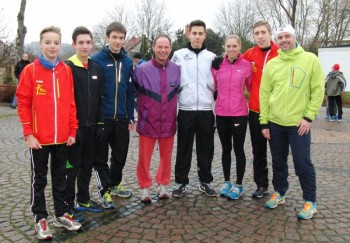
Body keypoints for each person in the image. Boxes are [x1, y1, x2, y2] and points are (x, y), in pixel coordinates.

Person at [16, 26, 82, 240]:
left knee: (61, 178)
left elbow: (71, 103)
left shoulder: (66, 71)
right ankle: (40, 218)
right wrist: (29, 133)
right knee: (40, 179)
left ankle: (60, 214)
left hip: (62, 137)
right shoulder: (30, 71)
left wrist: (72, 129)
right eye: (48, 42)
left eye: (56, 42)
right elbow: (23, 103)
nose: (52, 46)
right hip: (39, 140)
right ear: (41, 44)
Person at [259, 24, 324, 220]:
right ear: (276, 41)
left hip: (298, 124)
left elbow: (317, 90)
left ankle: (310, 201)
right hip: (276, 122)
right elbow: (264, 93)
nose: (284, 40)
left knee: (302, 162)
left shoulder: (310, 59)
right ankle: (280, 192)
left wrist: (308, 117)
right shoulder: (272, 64)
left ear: (294, 37)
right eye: (280, 38)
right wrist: (264, 122)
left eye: (287, 36)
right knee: (278, 161)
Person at [91, 21, 135, 209]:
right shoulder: (97, 60)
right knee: (100, 158)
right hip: (103, 119)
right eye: (114, 37)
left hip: (121, 119)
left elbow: (129, 90)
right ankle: (104, 192)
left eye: (121, 38)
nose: (118, 41)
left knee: (120, 156)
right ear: (107, 38)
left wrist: (130, 116)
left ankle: (115, 184)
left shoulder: (127, 61)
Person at [171, 20, 216, 197]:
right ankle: (181, 182)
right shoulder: (179, 55)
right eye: (194, 33)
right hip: (186, 108)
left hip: (205, 109)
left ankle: (205, 181)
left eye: (200, 33)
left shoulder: (212, 57)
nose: (197, 37)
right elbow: (170, 77)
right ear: (189, 34)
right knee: (184, 147)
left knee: (206, 148)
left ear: (205, 35)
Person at [133, 35, 180, 203]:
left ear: (170, 48)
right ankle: (144, 187)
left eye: (166, 47)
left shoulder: (176, 69)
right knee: (144, 157)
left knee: (166, 156)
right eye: (160, 46)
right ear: (153, 47)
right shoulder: (141, 69)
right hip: (148, 122)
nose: (163, 50)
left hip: (168, 121)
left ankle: (163, 184)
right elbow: (132, 93)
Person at [64, 26, 105, 222]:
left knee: (87, 166)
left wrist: (99, 122)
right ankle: (68, 205)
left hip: (92, 128)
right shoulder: (67, 68)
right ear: (74, 44)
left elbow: (100, 97)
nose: (85, 46)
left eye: (88, 42)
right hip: (74, 130)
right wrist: (72, 127)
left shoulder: (96, 67)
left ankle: (84, 199)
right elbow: (64, 101)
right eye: (81, 42)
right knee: (71, 168)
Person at [211, 35, 252, 200]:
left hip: (239, 114)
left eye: (234, 46)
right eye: (228, 46)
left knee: (238, 149)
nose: (231, 49)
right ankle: (227, 182)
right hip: (221, 113)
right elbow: (213, 86)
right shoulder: (217, 65)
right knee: (225, 149)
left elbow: (252, 88)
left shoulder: (247, 66)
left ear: (240, 46)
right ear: (224, 47)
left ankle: (239, 184)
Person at [242, 20, 279, 198]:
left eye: (263, 32)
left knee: (278, 151)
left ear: (270, 34)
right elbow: (233, 61)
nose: (260, 36)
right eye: (256, 33)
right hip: (255, 111)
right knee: (258, 151)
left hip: (276, 113)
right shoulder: (250, 54)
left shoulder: (280, 53)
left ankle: (280, 188)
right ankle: (261, 184)